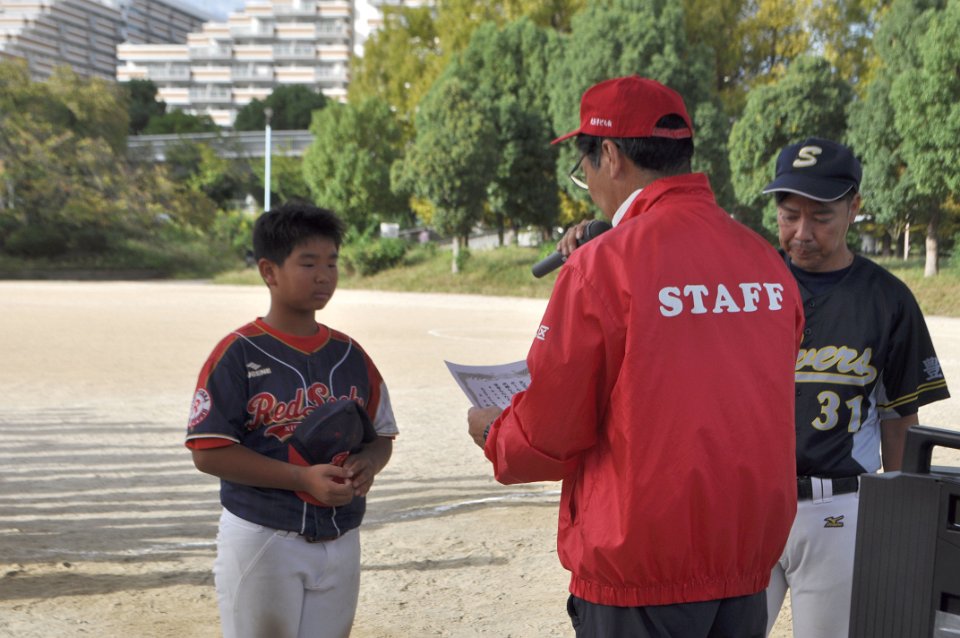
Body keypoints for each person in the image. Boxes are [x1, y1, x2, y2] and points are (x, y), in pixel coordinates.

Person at [466, 75, 805, 637]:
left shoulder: (603, 265)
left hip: (638, 572)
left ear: (609, 154)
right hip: (745, 567)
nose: (588, 186)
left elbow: (550, 431)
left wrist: (493, 433)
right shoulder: (765, 260)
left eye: (584, 168)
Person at [760, 137, 951, 638]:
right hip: (749, 503)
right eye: (788, 215)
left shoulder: (888, 298)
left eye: (821, 216)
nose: (802, 232)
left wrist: (899, 519)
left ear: (853, 207)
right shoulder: (750, 287)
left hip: (839, 510)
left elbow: (899, 421)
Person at [185, 202, 398, 638]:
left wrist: (369, 463)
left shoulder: (350, 355)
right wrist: (301, 478)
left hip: (341, 534)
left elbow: (381, 436)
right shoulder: (238, 353)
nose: (324, 275)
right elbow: (208, 452)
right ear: (269, 271)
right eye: (308, 263)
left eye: (332, 263)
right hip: (264, 533)